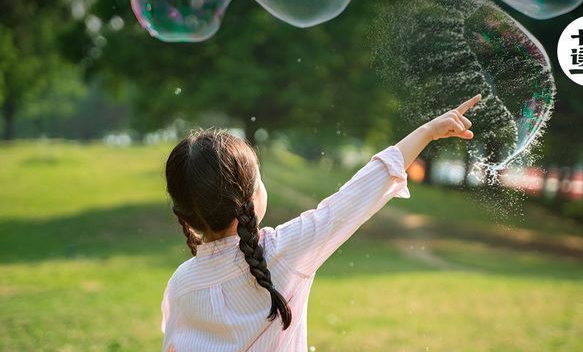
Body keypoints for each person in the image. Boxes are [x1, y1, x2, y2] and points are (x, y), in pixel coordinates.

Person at [162, 94, 481, 351]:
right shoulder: (283, 251)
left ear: (186, 214)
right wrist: (427, 132)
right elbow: (355, 198)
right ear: (250, 199)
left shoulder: (181, 284)